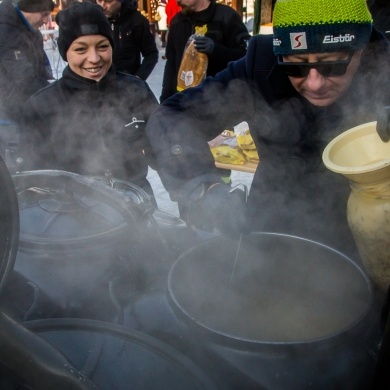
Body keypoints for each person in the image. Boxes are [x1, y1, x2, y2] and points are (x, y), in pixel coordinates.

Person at [146, 0, 390, 258]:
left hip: (366, 231)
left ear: (362, 50)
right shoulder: (262, 62)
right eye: (296, 65)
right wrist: (204, 188)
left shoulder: (382, 66)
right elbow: (172, 117)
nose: (315, 83)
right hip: (271, 225)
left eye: (332, 65)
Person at [21, 1, 159, 202]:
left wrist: (197, 185)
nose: (94, 58)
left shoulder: (135, 89)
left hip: (137, 203)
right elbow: (34, 177)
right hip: (75, 215)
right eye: (81, 49)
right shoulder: (41, 105)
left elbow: (162, 150)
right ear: (65, 52)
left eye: (102, 46)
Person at [160, 0, 250, 102]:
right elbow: (171, 65)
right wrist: (165, 101)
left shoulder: (227, 17)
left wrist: (216, 50)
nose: (177, 1)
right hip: (184, 104)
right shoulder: (177, 22)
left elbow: (246, 56)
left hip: (220, 103)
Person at [0, 0, 55, 166]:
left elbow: (43, 68)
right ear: (31, 9)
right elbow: (23, 76)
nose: (46, 20)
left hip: (29, 105)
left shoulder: (32, 30)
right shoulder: (5, 30)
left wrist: (53, 85)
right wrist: (55, 96)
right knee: (16, 160)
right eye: (44, 14)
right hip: (9, 112)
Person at [96, 0, 158, 81]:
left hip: (127, 84)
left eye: (108, 1)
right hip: (99, 85)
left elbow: (151, 53)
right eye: (99, 0)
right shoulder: (94, 20)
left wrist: (138, 78)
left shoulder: (137, 21)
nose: (102, 6)